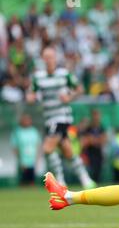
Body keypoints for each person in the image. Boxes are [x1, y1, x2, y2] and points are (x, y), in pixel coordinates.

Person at [26, 46, 96, 188]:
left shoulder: (64, 74)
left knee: (47, 148)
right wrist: (31, 98)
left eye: (51, 57)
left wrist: (69, 97)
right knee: (67, 150)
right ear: (43, 59)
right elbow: (30, 94)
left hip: (61, 117)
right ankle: (85, 178)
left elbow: (80, 89)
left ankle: (60, 181)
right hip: (49, 118)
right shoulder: (38, 77)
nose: (49, 60)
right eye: (46, 57)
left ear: (55, 58)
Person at [10, 114, 41, 185]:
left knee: (32, 181)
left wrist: (37, 159)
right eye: (25, 120)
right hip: (23, 161)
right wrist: (20, 160)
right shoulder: (17, 132)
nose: (27, 121)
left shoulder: (34, 131)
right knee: (23, 181)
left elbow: (38, 145)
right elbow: (14, 147)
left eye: (28, 120)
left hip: (32, 161)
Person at [80, 109, 107, 183]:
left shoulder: (102, 128)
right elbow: (85, 141)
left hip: (98, 153)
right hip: (89, 154)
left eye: (98, 115)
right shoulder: (88, 128)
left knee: (98, 173)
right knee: (90, 173)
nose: (97, 117)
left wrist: (93, 140)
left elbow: (103, 140)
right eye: (95, 115)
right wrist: (95, 140)